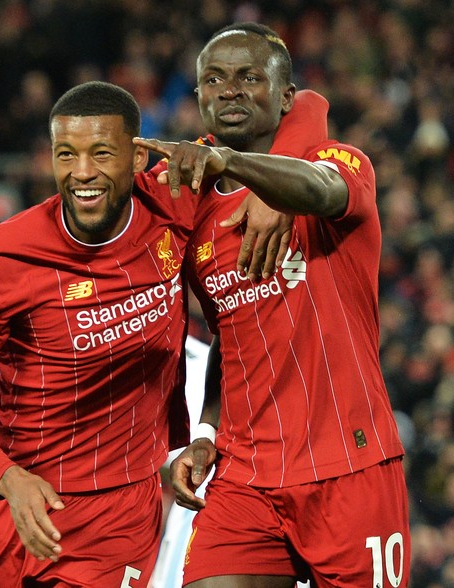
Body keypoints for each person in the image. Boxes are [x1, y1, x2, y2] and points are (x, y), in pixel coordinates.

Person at [0, 80, 292, 587]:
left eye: (101, 153)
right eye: (66, 154)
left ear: (139, 156)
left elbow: (296, 114)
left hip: (118, 517)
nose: (82, 173)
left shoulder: (174, 199)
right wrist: (8, 480)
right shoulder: (0, 257)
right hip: (19, 503)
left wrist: (277, 195)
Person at [135, 22, 411, 587]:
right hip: (245, 476)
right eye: (213, 79)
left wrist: (240, 169)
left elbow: (321, 188)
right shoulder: (196, 211)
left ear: (285, 97)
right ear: (197, 98)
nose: (229, 90)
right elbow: (227, 337)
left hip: (349, 468)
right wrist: (205, 434)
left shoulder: (340, 159)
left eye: (248, 77)